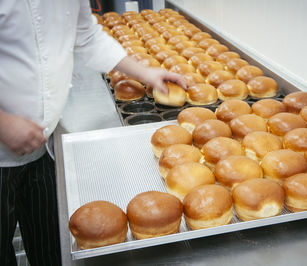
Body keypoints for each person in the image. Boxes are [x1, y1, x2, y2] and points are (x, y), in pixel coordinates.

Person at [0, 1, 186, 265]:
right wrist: (3, 123)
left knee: (53, 248)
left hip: (46, 145)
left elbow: (87, 36)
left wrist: (146, 73)